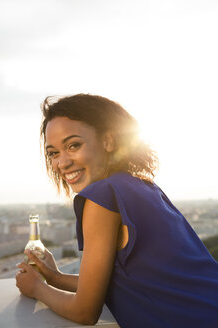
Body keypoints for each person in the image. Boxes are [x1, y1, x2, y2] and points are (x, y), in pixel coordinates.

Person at [16, 94, 218, 328]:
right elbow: (133, 283)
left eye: (73, 145)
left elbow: (84, 312)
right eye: (53, 153)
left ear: (108, 141)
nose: (62, 163)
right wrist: (56, 278)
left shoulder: (102, 198)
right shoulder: (144, 187)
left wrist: (37, 288)